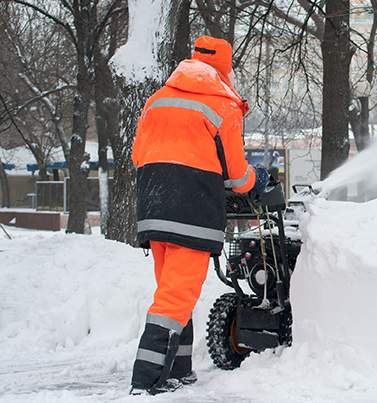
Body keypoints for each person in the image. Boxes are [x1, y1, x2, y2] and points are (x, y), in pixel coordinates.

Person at [129, 36, 269, 395]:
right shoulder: (223, 105)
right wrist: (260, 179)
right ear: (225, 69)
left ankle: (179, 369)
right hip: (190, 213)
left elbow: (137, 156)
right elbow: (238, 178)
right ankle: (146, 380)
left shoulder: (157, 100)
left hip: (153, 209)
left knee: (175, 292)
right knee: (177, 295)